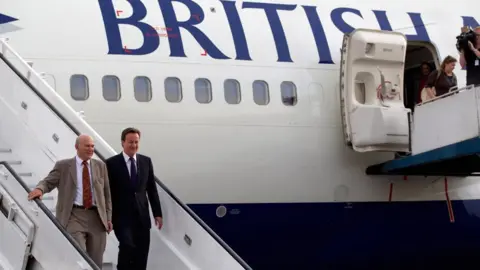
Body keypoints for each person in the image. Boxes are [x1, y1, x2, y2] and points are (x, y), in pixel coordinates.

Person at [27, 134, 112, 267]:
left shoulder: (100, 166)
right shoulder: (64, 166)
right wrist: (40, 189)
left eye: (92, 146)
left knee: (96, 261)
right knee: (79, 255)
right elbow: (48, 182)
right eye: (87, 146)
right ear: (76, 147)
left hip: (97, 217)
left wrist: (108, 217)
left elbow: (107, 194)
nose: (91, 149)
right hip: (74, 216)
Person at [106, 127, 163, 270]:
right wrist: (108, 216)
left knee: (142, 253)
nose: (134, 145)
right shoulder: (111, 163)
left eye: (136, 142)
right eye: (130, 142)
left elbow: (151, 189)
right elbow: (107, 192)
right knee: (127, 246)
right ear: (122, 143)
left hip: (142, 216)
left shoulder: (146, 162)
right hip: (121, 217)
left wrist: (157, 213)